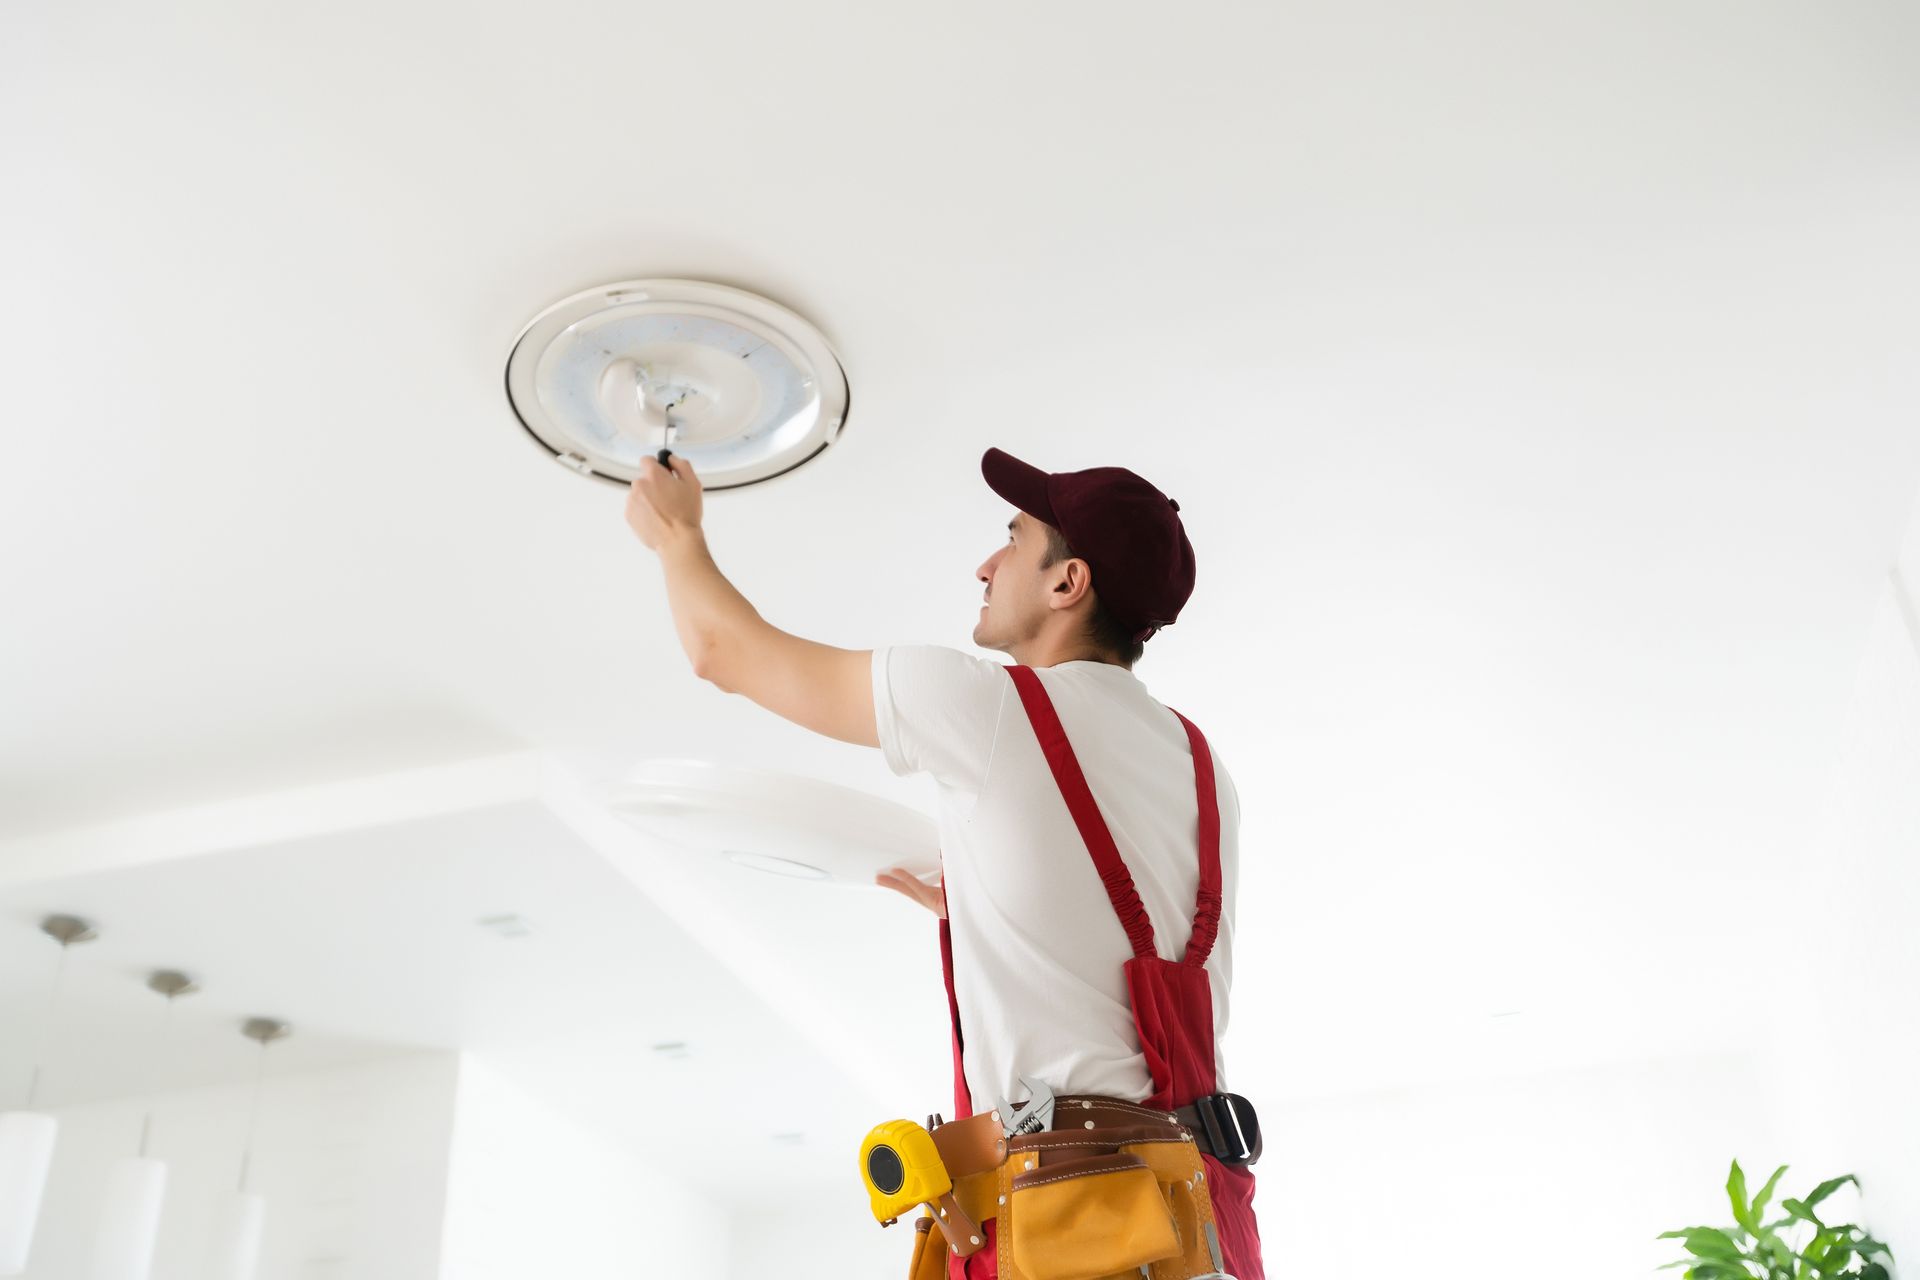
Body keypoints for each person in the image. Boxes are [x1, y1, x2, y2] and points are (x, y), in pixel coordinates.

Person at [626, 446, 1263, 1279]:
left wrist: (678, 536)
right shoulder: (1201, 765)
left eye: (1013, 537)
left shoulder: (983, 708)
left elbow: (723, 651)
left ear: (1067, 583)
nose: (986, 564)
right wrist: (987, 907)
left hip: (1080, 1221)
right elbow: (1135, 967)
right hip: (1193, 1224)